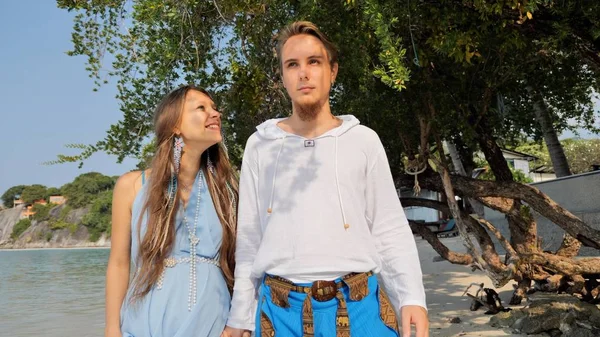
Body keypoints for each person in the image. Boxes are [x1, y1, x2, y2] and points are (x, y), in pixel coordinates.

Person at [225, 21, 428, 337]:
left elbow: (388, 227)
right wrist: (239, 317)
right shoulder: (260, 145)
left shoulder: (363, 140)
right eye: (292, 65)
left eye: (313, 62)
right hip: (280, 314)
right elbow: (249, 237)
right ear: (282, 77)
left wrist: (411, 297)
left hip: (360, 306)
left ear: (332, 71)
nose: (303, 73)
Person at [106, 85, 239, 337]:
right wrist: (112, 329)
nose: (215, 114)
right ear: (175, 125)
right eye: (202, 108)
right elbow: (119, 263)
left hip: (214, 320)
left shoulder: (227, 190)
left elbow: (241, 261)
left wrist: (240, 321)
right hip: (148, 319)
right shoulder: (132, 185)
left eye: (215, 108)